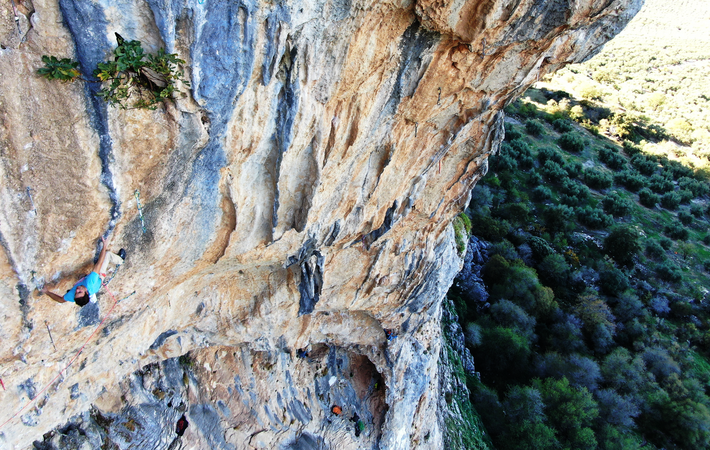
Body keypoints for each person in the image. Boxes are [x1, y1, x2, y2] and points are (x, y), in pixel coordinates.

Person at [41, 236, 125, 307]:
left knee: (81, 277)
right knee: (107, 254)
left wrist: (47, 292)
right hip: (99, 278)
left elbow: (61, 300)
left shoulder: (72, 295)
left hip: (88, 284)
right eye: (80, 292)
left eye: (76, 293)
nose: (77, 290)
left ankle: (90, 292)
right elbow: (98, 264)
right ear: (86, 292)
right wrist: (104, 246)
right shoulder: (90, 282)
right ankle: (121, 260)